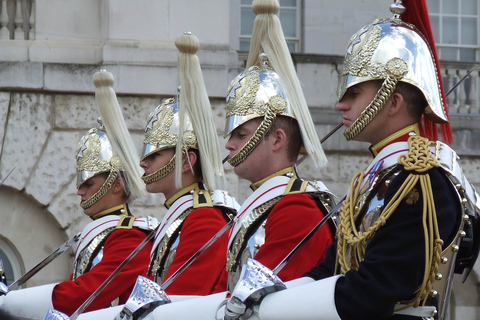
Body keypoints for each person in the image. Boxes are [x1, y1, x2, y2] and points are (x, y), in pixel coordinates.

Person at [230, 1, 480, 320]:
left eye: (354, 94)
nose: (340, 105)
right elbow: (328, 270)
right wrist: (263, 297)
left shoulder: (421, 182)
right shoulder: (377, 180)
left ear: (392, 101)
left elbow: (371, 293)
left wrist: (265, 310)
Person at [0, 70, 158, 319]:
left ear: (116, 185)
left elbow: (85, 294)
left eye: (88, 183)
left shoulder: (131, 236)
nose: (79, 190)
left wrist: (11, 302)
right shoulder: (101, 232)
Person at [138, 32, 238, 296]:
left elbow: (181, 301)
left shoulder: (203, 218)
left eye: (154, 156)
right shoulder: (180, 214)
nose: (143, 163)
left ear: (186, 162)